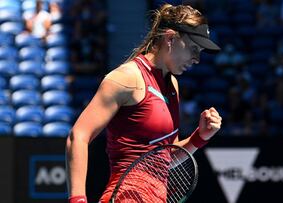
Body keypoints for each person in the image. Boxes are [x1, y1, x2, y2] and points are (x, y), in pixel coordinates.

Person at [66, 4, 222, 203]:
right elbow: (77, 136)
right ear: (170, 38)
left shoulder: (172, 85)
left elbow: (163, 158)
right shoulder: (127, 78)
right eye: (193, 49)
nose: (197, 59)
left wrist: (200, 137)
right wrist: (78, 199)